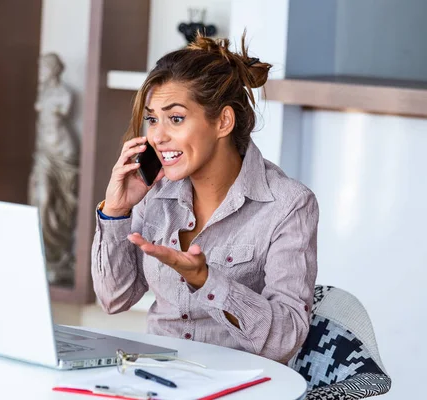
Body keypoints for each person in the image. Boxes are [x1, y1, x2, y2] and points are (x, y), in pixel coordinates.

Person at [90, 34, 319, 364]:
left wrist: (207, 280)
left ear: (223, 121)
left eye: (176, 118)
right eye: (153, 119)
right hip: (158, 379)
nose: (158, 135)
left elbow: (286, 338)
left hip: (241, 386)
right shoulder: (153, 192)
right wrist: (116, 210)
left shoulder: (288, 204)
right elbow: (114, 298)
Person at [29, 53, 80, 284]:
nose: (40, 72)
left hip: (64, 151)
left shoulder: (64, 95)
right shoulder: (42, 92)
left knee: (63, 202)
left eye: (43, 68)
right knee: (43, 198)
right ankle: (45, 253)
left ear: (53, 70)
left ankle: (59, 253)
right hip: (44, 153)